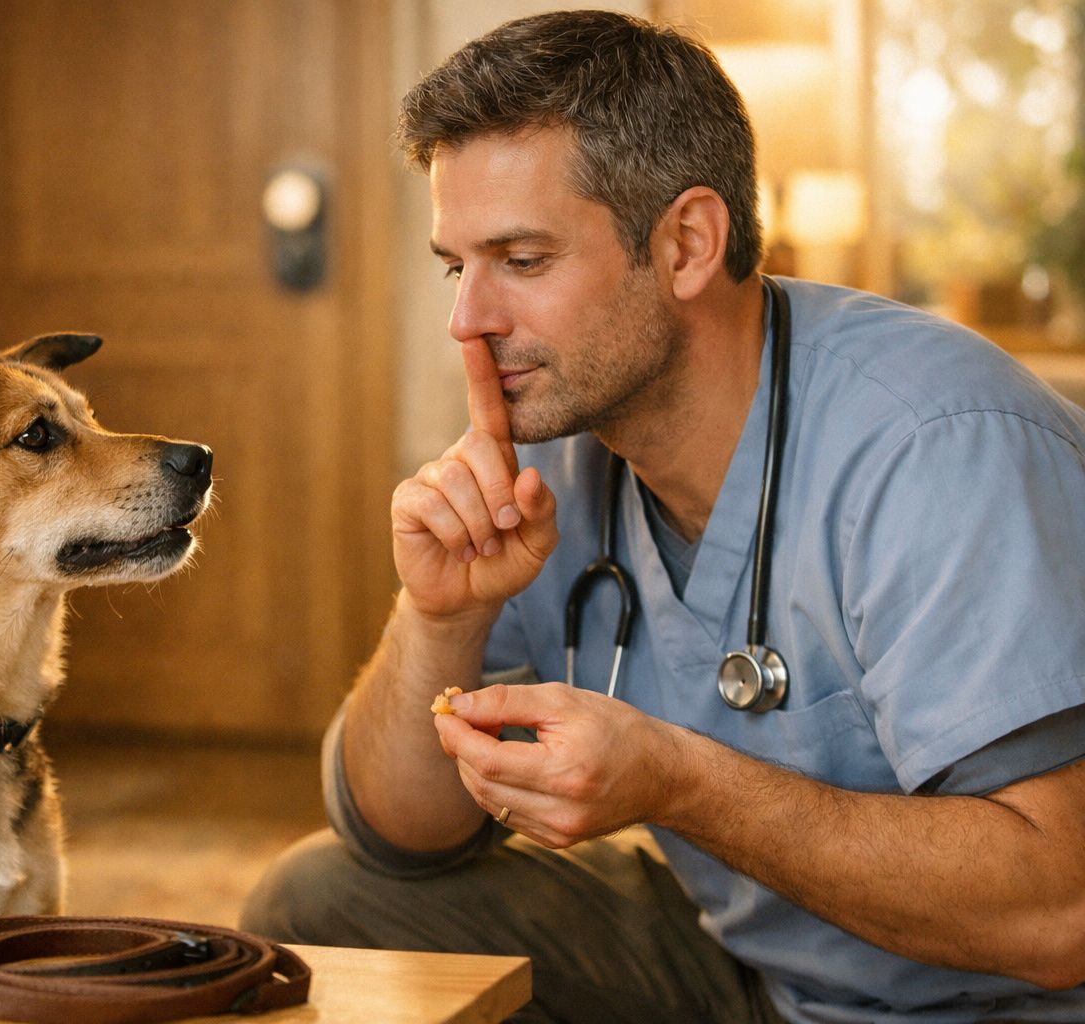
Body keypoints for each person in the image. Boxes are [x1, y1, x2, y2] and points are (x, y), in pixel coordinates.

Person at [239, 9, 1085, 1023]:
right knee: (321, 897)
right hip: (766, 979)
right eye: (455, 265)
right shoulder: (550, 457)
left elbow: (1058, 912)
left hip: (998, 1011)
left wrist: (679, 782)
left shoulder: (935, 445)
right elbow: (396, 834)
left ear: (686, 243)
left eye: (522, 258)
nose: (467, 319)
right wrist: (441, 615)